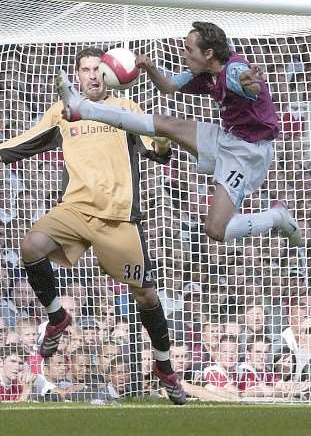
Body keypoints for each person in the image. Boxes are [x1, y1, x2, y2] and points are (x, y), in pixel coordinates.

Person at [0, 47, 186, 405]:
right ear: (76, 76)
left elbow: (157, 149)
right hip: (75, 209)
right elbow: (19, 145)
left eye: (98, 69)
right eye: (85, 70)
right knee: (31, 246)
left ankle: (164, 367)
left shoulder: (125, 109)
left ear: (109, 74)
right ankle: (57, 317)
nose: (92, 76)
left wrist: (163, 142)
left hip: (117, 218)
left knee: (146, 295)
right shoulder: (63, 112)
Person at [57, 22, 302, 248]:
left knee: (215, 230)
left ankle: (275, 216)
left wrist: (250, 82)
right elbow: (168, 87)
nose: (184, 54)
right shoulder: (204, 71)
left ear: (208, 53)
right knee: (166, 123)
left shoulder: (234, 70)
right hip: (226, 137)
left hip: (247, 153)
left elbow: (244, 80)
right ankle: (82, 108)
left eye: (188, 49)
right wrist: (150, 68)